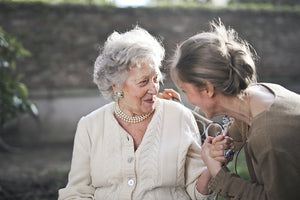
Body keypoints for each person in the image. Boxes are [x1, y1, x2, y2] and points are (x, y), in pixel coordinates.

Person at [58, 26, 230, 200]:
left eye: (155, 79)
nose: (154, 89)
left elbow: (196, 192)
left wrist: (211, 166)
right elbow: (76, 192)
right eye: (143, 82)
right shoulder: (90, 126)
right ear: (116, 85)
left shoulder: (179, 116)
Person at [168, 20, 300, 199]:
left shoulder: (269, 137)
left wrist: (218, 174)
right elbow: (229, 138)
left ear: (207, 89)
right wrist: (222, 146)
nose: (189, 99)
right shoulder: (258, 95)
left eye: (185, 91)